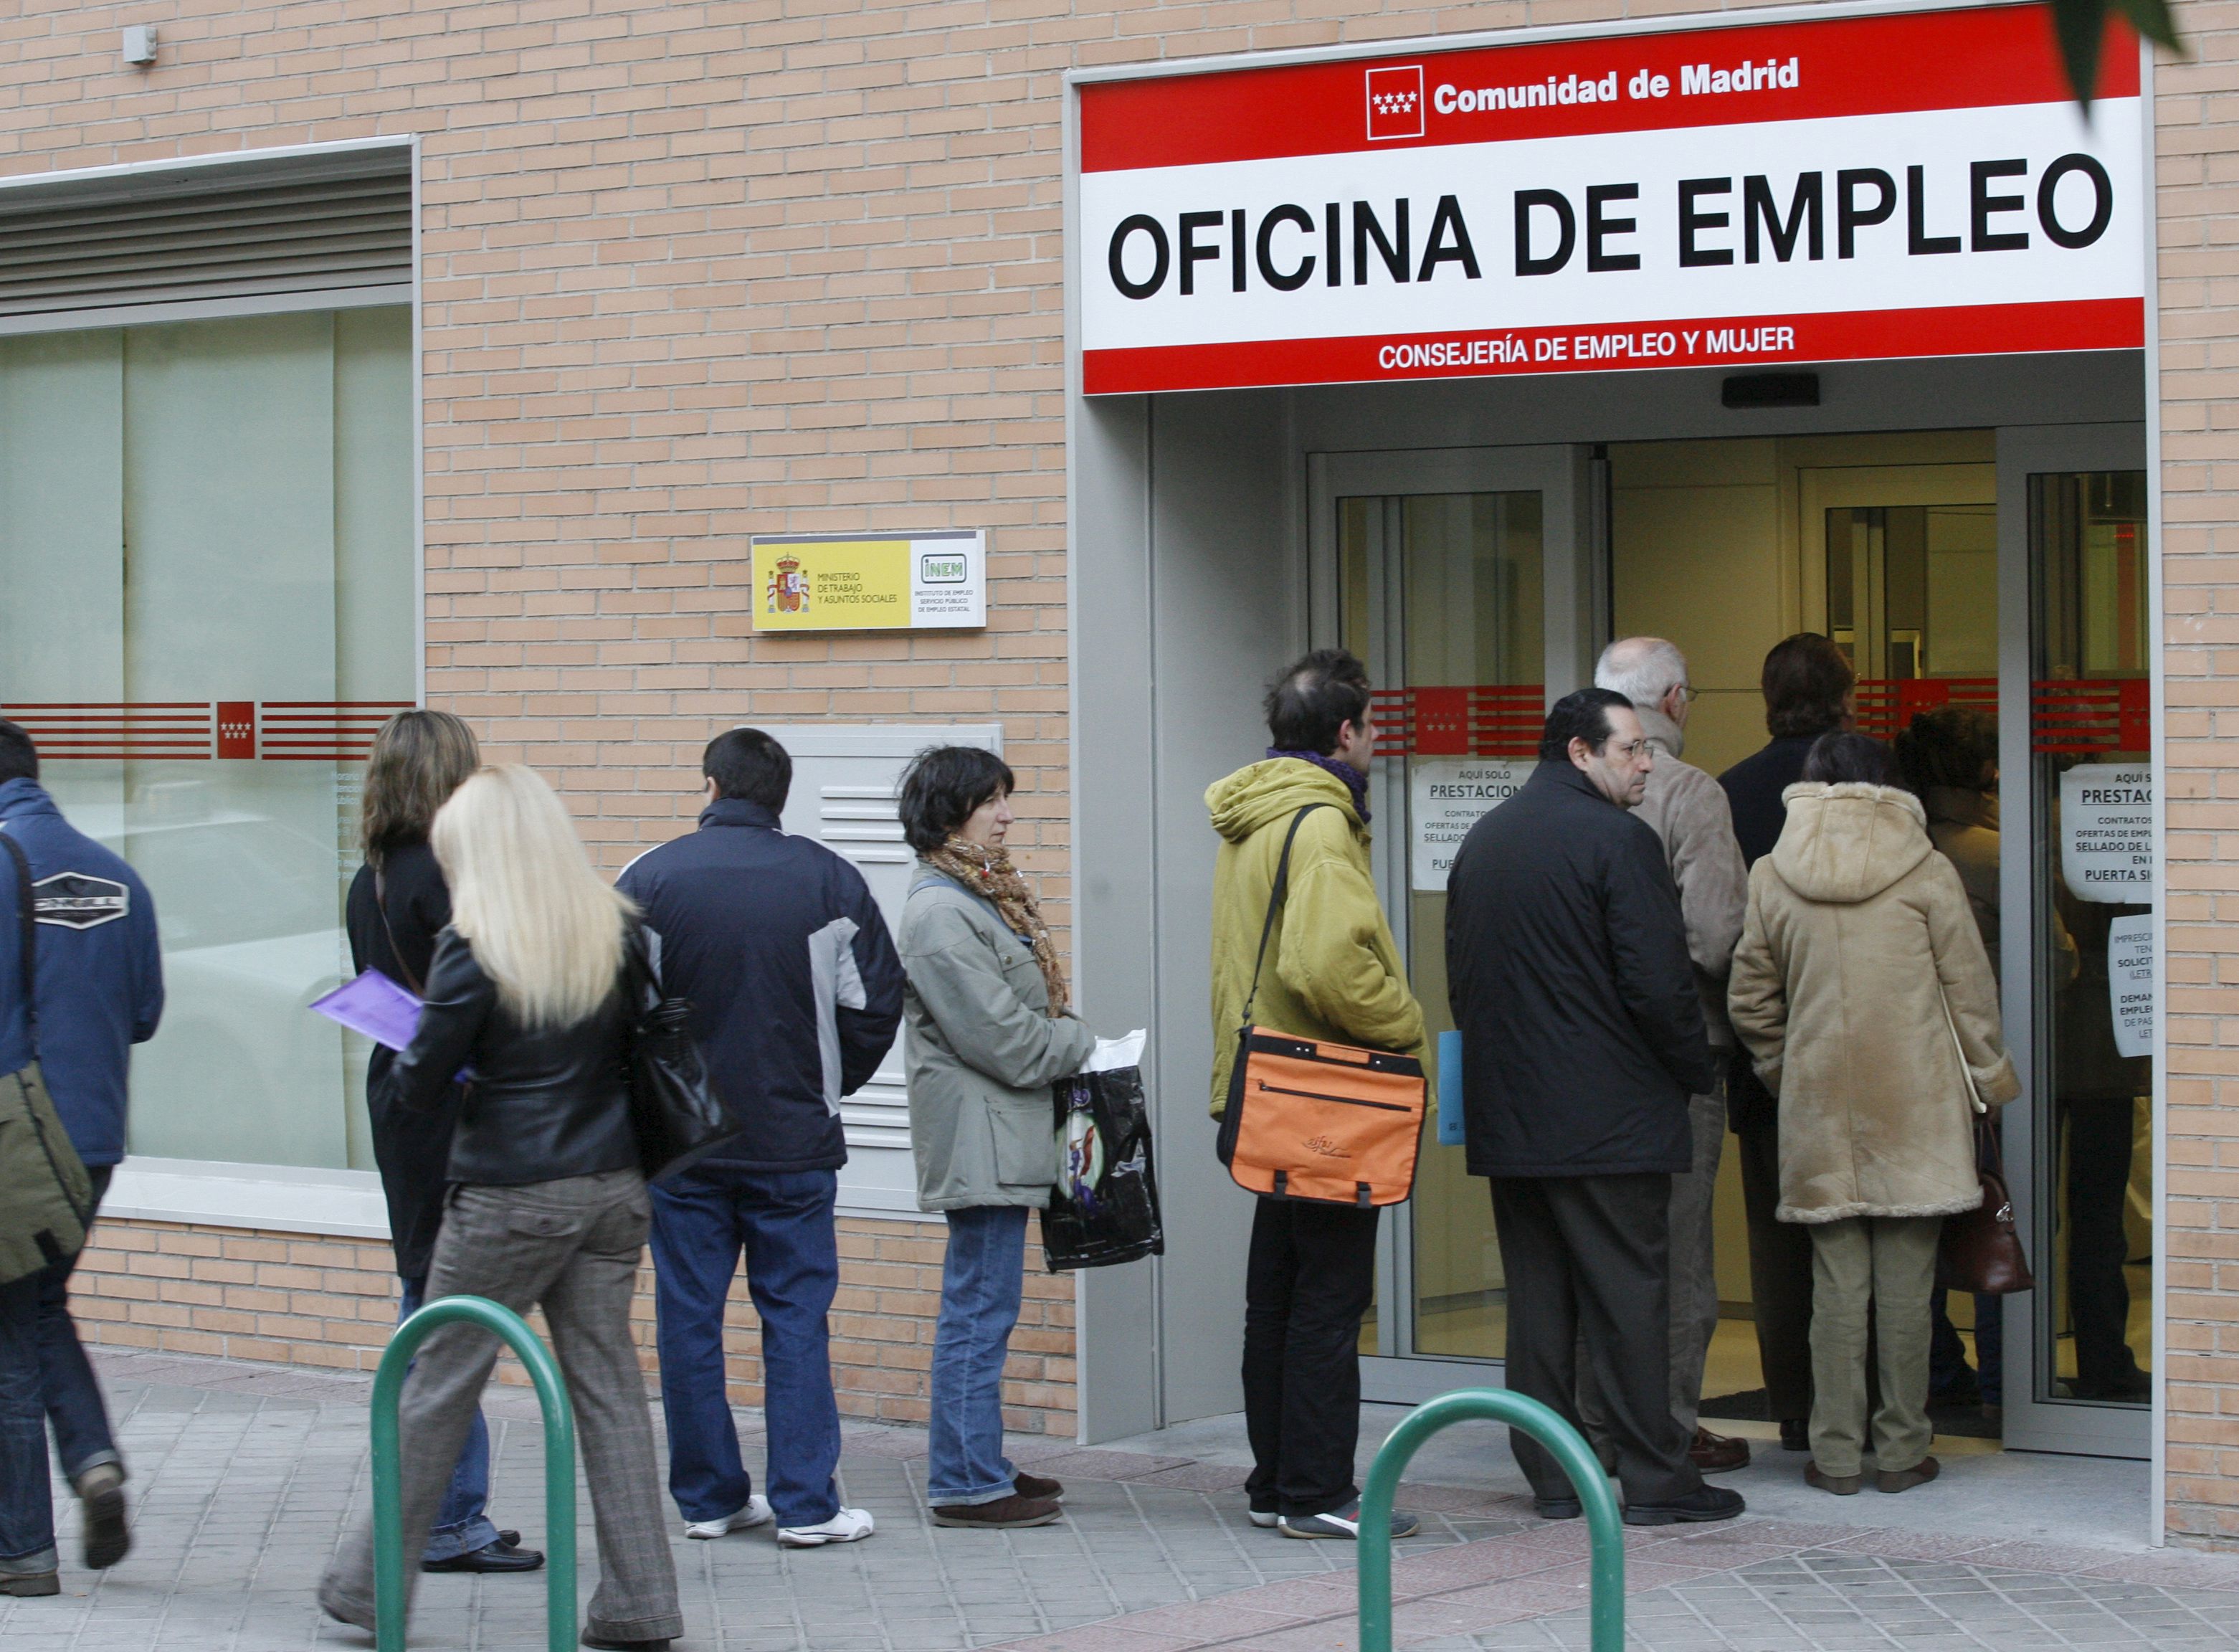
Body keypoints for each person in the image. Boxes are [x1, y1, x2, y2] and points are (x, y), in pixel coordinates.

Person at [319, 766, 680, 1651]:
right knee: (610, 1394)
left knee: (437, 1383)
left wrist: (429, 1046)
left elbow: (418, 1085)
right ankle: (642, 1605)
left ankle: (367, 1589)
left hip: (509, 1197)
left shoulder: (476, 946)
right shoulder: (616, 931)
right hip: (611, 1191)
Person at [1446, 688, 1741, 1528]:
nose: (1647, 763)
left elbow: (1464, 976)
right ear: (1580, 752)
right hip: (1611, 1121)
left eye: (1646, 749)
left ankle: (1550, 1473)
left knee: (1539, 1305)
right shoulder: (1619, 841)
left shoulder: (1487, 838)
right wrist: (1693, 1071)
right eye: (1630, 750)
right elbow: (1660, 986)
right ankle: (1657, 1477)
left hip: (1513, 1117)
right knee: (1630, 1300)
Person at [617, 728, 904, 1548]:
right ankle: (808, 1506)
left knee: (688, 1318)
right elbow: (876, 1004)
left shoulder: (649, 877)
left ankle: (709, 1499)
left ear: (711, 786)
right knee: (796, 1318)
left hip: (684, 1146)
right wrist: (826, 1084)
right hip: (793, 1141)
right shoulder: (829, 879)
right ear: (780, 795)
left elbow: (614, 1009)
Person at [1727, 733, 2019, 1496]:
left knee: (1834, 1289)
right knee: (1904, 1287)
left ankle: (1832, 1454)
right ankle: (1900, 1452)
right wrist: (1990, 1079)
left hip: (1820, 1106)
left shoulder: (1772, 875)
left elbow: (1750, 999)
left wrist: (1790, 1070)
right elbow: (1970, 992)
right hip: (1916, 1105)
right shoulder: (1927, 871)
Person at [1206, 650, 1427, 1542]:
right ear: (1347, 734)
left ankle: (1275, 1482)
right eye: (1370, 728)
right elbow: (1327, 964)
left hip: (1262, 1088)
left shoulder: (1253, 817)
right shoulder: (1323, 827)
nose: (1374, 744)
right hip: (1327, 1097)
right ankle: (1319, 1492)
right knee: (1330, 1301)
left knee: (1279, 1296)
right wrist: (1407, 1019)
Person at [345, 710, 542, 1577]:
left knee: (424, 1289)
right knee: (446, 1311)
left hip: (400, 1097)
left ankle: (444, 1507)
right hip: (457, 1103)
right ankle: (446, 1515)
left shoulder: (373, 877)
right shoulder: (454, 876)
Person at [896, 746, 1096, 1531]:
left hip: (997, 1132)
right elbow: (1006, 1041)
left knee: (987, 1308)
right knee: (978, 1310)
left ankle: (980, 1460)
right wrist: (1080, 1044)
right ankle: (966, 1482)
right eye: (993, 802)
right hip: (978, 1136)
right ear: (950, 811)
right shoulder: (941, 911)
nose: (1008, 815)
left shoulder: (976, 897)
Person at [0, 720, 162, 1596]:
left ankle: (22, 1548)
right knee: (39, 1308)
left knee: (9, 1338)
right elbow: (144, 1014)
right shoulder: (120, 875)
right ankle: (94, 1460)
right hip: (95, 1137)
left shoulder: (0, 865)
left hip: (18, 1140)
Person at [1593, 639, 1751, 1474]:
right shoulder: (1691, 794)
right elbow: (1719, 935)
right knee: (1680, 1258)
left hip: (1586, 1064)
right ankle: (1667, 1431)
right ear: (1677, 700)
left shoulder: (1562, 791)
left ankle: (1593, 1428)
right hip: (1678, 1058)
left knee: (1600, 1247)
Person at [1716, 633, 1855, 1452]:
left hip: (1766, 1048)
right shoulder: (1870, 783)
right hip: (1860, 1041)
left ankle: (1797, 1406)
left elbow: (1728, 937)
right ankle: (1860, 1400)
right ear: (1845, 691)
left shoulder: (1732, 792)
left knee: (1778, 1241)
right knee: (1858, 1231)